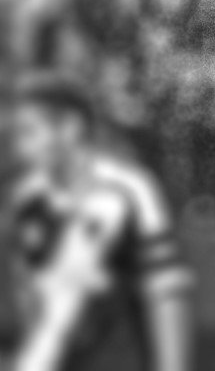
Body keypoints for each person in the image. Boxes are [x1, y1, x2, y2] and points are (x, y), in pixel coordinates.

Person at [3, 74, 193, 371]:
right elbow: (28, 305)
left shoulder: (132, 190)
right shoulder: (26, 199)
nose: (20, 147)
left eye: (30, 132)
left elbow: (166, 295)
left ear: (70, 127)